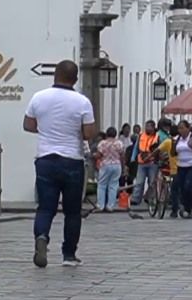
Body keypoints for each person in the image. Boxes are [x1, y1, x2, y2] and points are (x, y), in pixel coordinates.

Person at [24, 59, 97, 267]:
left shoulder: (39, 97)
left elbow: (28, 125)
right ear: (75, 79)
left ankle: (42, 237)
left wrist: (47, 130)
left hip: (45, 159)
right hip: (72, 160)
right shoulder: (82, 102)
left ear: (55, 74)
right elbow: (88, 133)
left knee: (45, 207)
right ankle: (69, 255)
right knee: (72, 211)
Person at [171, 120, 192, 218]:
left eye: (182, 128)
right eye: (179, 128)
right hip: (181, 165)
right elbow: (173, 153)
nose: (180, 130)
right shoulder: (177, 139)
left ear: (188, 128)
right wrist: (173, 144)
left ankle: (188, 207)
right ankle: (185, 206)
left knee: (187, 186)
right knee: (181, 187)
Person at [130, 120, 162, 206]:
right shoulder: (141, 136)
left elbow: (160, 148)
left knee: (152, 182)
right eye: (146, 126)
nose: (147, 128)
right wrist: (133, 157)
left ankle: (150, 198)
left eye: (149, 126)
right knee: (139, 182)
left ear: (153, 127)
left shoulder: (157, 137)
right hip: (142, 162)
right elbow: (136, 148)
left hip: (152, 162)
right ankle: (135, 199)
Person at [96, 127, 125, 213]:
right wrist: (123, 167)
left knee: (102, 185)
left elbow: (99, 155)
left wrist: (93, 156)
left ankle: (100, 205)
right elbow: (122, 156)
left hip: (105, 165)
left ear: (107, 134)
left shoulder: (102, 143)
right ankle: (110, 206)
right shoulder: (119, 143)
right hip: (116, 165)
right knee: (113, 185)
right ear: (115, 134)